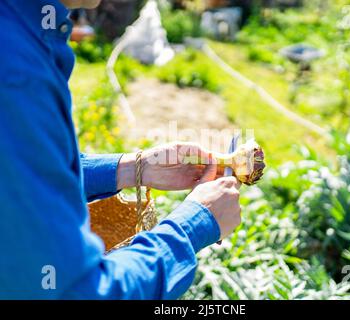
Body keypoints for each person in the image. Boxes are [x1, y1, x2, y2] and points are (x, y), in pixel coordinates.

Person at [0, 0, 241, 299]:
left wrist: (134, 168)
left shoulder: (23, 32)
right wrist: (194, 225)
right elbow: (79, 292)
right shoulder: (17, 74)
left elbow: (24, 176)